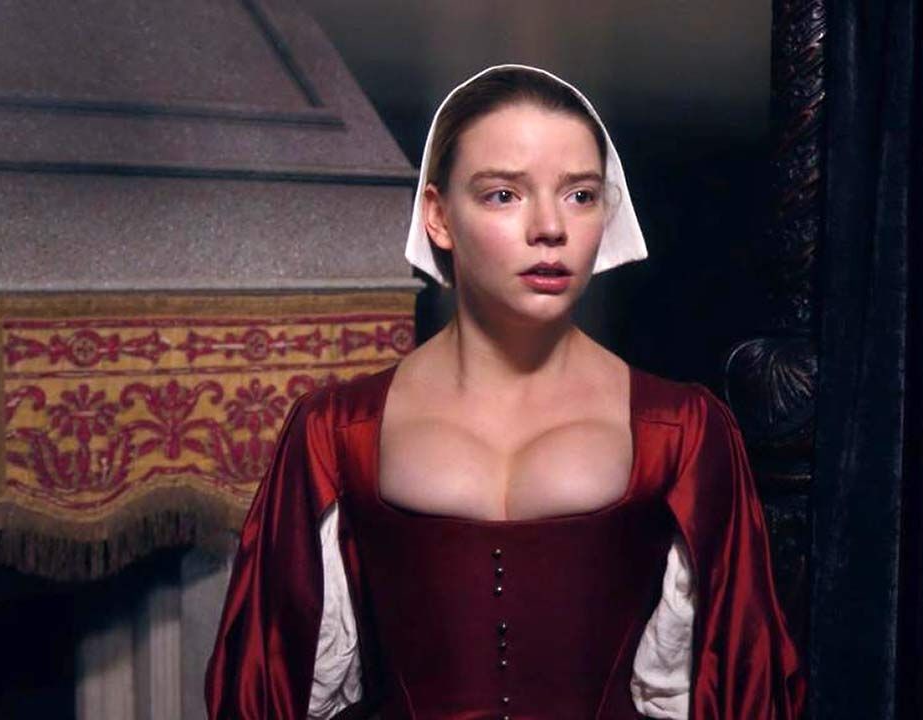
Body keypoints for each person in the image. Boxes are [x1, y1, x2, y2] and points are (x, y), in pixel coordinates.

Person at [204, 63, 806, 719]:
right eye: (503, 194)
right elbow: (267, 684)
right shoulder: (334, 431)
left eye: (579, 195)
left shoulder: (682, 429)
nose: (549, 228)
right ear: (438, 216)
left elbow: (742, 681)